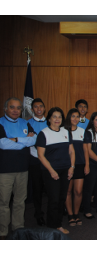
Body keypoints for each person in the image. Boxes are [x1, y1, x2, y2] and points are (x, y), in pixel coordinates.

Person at [0, 97, 36, 240]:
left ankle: (18, 227)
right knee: (3, 202)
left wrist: (14, 139)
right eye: (12, 107)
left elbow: (34, 139)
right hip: (4, 170)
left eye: (18, 108)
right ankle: (2, 230)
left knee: (20, 200)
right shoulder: (0, 122)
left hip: (23, 168)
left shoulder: (25, 122)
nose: (15, 110)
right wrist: (24, 141)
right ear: (5, 109)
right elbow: (2, 144)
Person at [36, 107, 75, 235]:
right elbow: (41, 155)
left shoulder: (66, 132)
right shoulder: (43, 133)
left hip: (65, 170)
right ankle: (52, 227)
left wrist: (72, 167)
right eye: (54, 116)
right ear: (49, 119)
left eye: (59, 117)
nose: (57, 119)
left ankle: (57, 225)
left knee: (62, 198)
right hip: (51, 171)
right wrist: (52, 171)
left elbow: (71, 151)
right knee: (53, 199)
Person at [63, 108, 88, 227]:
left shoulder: (82, 131)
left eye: (77, 116)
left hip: (79, 164)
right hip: (65, 165)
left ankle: (76, 213)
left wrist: (87, 164)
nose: (75, 119)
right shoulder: (62, 130)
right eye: (73, 116)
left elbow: (86, 150)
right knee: (67, 191)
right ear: (68, 117)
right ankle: (70, 214)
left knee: (78, 191)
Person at [27, 98, 48, 226]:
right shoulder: (27, 123)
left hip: (50, 160)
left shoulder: (51, 121)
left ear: (44, 108)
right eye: (36, 107)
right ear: (32, 109)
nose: (39, 109)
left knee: (51, 188)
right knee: (37, 188)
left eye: (41, 106)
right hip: (35, 159)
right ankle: (38, 213)